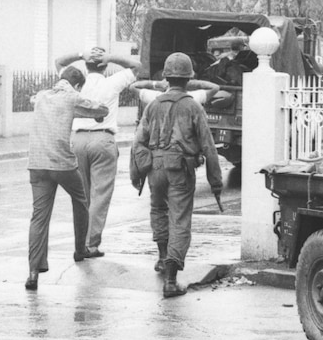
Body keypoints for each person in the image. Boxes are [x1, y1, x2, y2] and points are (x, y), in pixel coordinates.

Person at [134, 51, 222, 298]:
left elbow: (138, 143)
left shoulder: (152, 105)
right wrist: (216, 183)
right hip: (180, 169)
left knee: (159, 212)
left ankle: (163, 259)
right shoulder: (193, 106)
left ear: (165, 77)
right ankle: (171, 280)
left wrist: (138, 174)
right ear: (188, 79)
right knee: (180, 219)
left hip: (155, 169)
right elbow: (208, 147)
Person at [25, 66, 108, 290]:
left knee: (39, 217)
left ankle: (33, 272)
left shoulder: (42, 96)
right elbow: (100, 109)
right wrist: (100, 115)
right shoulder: (73, 96)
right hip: (62, 164)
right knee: (81, 201)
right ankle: (80, 248)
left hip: (37, 163)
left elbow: (37, 101)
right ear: (78, 85)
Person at [53, 45, 140, 256]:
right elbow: (137, 66)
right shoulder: (113, 81)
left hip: (78, 140)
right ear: (105, 66)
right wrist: (110, 57)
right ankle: (90, 245)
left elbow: (59, 61)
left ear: (86, 65)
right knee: (99, 196)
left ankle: (79, 243)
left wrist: (80, 53)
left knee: (82, 196)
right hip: (103, 139)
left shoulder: (75, 85)